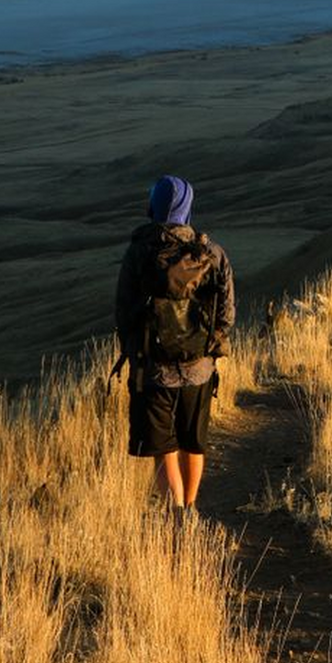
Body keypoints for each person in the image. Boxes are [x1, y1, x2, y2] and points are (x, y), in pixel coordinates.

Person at [114, 175, 235, 512]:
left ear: (154, 205)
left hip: (153, 370)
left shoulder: (139, 252)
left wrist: (134, 352)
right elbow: (227, 312)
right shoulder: (211, 253)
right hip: (199, 368)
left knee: (164, 447)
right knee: (192, 443)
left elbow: (124, 311)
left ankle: (177, 519)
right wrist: (211, 346)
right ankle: (190, 509)